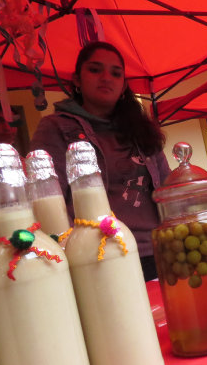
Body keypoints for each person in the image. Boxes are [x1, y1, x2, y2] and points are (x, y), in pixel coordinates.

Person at [31, 41, 171, 281]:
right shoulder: (55, 127)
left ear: (124, 85)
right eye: (95, 70)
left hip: (158, 253)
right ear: (77, 79)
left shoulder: (142, 129)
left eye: (116, 73)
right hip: (99, 257)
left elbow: (169, 188)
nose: (107, 77)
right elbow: (46, 200)